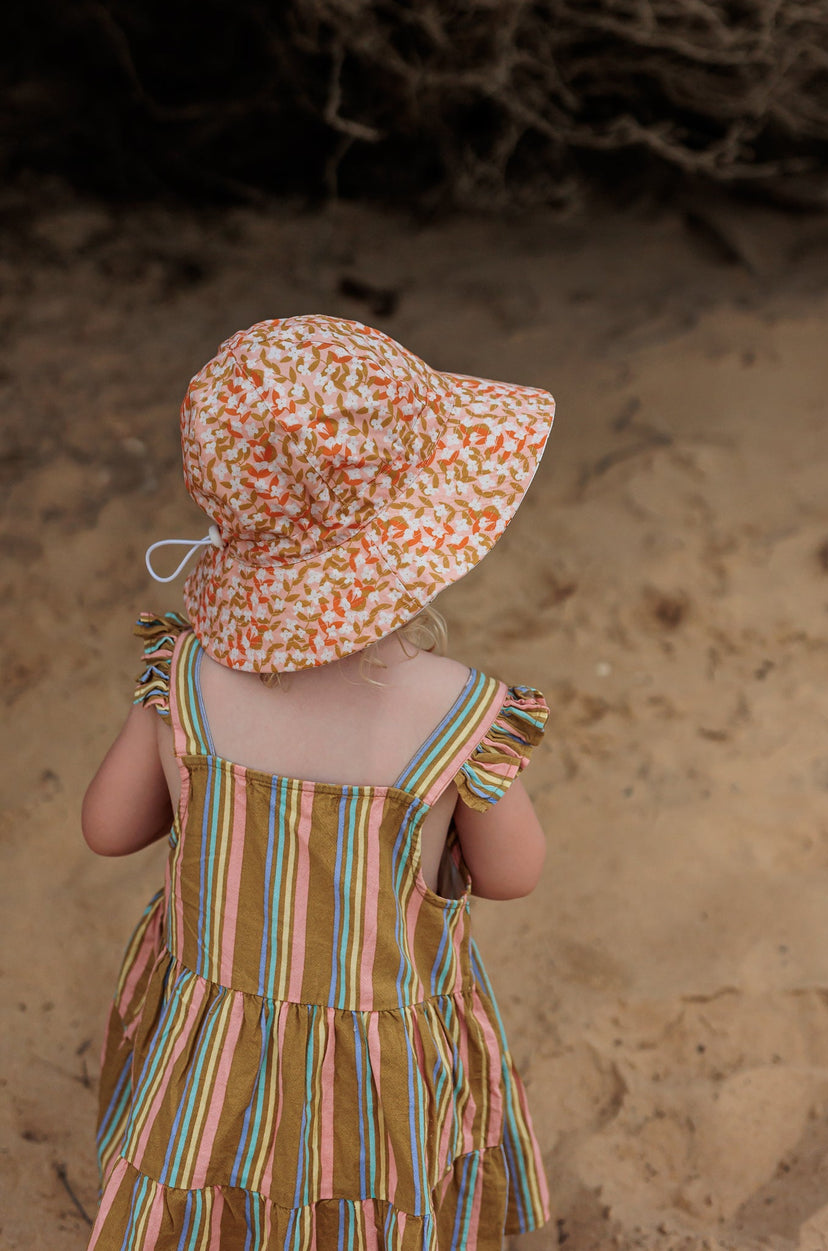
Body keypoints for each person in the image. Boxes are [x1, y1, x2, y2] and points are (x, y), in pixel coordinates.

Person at [80, 315, 555, 1251]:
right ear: (414, 539)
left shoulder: (184, 679)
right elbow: (513, 874)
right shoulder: (461, 712)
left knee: (209, 1198)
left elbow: (107, 825)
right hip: (374, 1072)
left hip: (209, 1056)